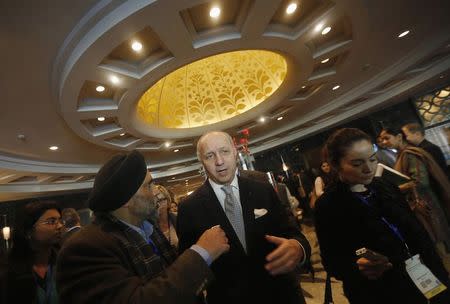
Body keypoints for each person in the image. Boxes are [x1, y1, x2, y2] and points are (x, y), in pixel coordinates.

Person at [56, 150, 230, 304]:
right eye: (148, 185)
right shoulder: (85, 249)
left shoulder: (148, 228)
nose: (156, 192)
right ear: (126, 200)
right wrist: (201, 253)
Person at [314, 128, 449, 304]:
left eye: (372, 159)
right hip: (381, 292)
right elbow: (333, 264)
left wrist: (440, 275)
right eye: (357, 164)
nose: (368, 168)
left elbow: (419, 236)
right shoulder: (329, 204)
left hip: (422, 272)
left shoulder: (386, 187)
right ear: (336, 164)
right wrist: (359, 266)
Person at [177, 131, 311, 304]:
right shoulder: (189, 208)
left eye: (224, 151)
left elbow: (294, 235)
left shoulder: (263, 190)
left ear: (234, 152)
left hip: (282, 295)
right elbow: (190, 270)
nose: (219, 161)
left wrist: (298, 248)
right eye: (210, 156)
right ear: (202, 162)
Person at [379, 127, 450, 255]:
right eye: (382, 139)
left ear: (399, 137)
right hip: (421, 206)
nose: (383, 142)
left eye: (386, 138)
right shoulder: (401, 155)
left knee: (440, 245)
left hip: (426, 206)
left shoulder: (410, 154)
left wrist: (395, 188)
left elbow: (420, 182)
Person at [1, 201, 64, 304]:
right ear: (28, 231)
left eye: (60, 220)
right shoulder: (9, 271)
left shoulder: (66, 262)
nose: (60, 226)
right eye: (51, 222)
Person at [151, 184, 179, 248]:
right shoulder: (149, 225)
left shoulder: (178, 218)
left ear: (168, 200)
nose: (158, 205)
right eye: (154, 201)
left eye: (160, 200)